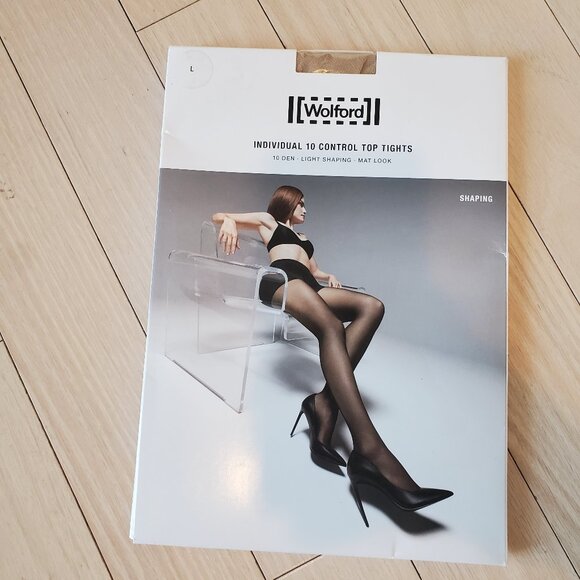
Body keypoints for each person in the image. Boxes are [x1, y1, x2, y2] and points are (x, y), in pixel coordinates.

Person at [212, 185, 452, 525]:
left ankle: (323, 403)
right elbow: (219, 215)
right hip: (281, 282)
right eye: (301, 204)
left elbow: (313, 270)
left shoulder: (304, 238)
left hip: (308, 286)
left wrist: (327, 275)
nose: (305, 209)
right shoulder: (268, 222)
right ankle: (369, 448)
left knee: (372, 307)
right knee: (332, 328)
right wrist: (229, 222)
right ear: (287, 203)